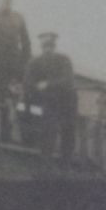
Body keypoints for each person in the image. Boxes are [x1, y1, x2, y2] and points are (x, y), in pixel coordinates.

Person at [24, 31, 78, 160]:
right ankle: (46, 160)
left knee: (68, 130)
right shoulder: (34, 62)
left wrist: (48, 84)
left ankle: (67, 160)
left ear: (54, 46)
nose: (48, 49)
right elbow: (28, 82)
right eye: (45, 46)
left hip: (66, 101)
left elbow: (68, 80)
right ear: (41, 47)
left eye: (50, 46)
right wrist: (36, 89)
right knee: (48, 129)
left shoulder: (64, 60)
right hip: (45, 101)